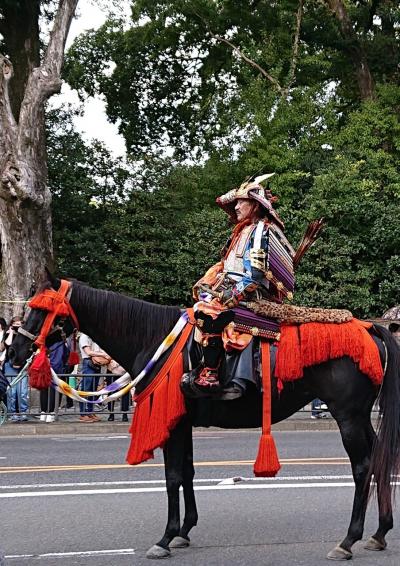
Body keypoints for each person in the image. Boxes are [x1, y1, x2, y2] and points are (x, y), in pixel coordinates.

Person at [187, 173, 295, 399]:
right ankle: (201, 368)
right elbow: (226, 265)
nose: (235, 206)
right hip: (228, 289)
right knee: (197, 311)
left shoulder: (259, 231)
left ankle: (232, 377)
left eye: (241, 202)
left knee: (219, 316)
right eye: (234, 202)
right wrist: (208, 281)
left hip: (254, 294)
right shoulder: (240, 232)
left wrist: (231, 295)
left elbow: (255, 275)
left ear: (255, 206)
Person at [0, 316, 29, 422]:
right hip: (10, 365)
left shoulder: (26, 335)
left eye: (19, 324)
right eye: (15, 324)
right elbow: (6, 344)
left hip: (22, 365)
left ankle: (23, 412)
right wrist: (11, 331)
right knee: (12, 392)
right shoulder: (8, 333)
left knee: (23, 392)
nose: (17, 326)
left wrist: (22, 330)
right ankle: (12, 413)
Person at [78, 333, 111, 422]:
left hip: (96, 362)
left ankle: (90, 412)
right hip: (88, 362)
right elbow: (88, 352)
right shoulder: (84, 337)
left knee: (93, 389)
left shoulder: (93, 337)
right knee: (86, 389)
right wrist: (103, 355)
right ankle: (83, 413)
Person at [39, 337, 71, 423]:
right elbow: (64, 355)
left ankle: (43, 412)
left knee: (44, 390)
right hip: (55, 368)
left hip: (43, 367)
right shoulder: (59, 341)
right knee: (52, 390)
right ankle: (50, 413)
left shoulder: (44, 340)